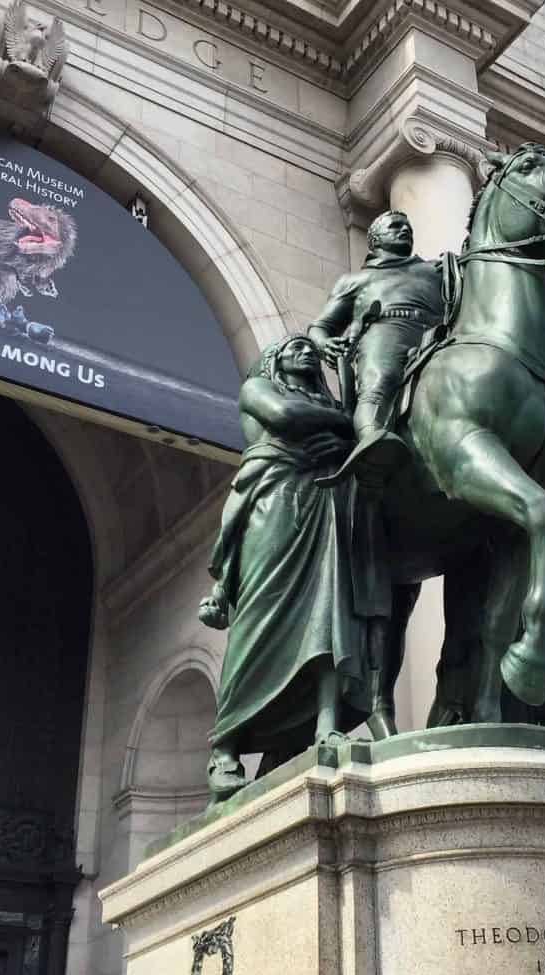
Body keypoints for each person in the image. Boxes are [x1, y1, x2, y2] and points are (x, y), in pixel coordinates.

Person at [198, 334, 388, 803]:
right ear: (274, 360)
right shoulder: (258, 390)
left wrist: (338, 416)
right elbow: (285, 417)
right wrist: (342, 418)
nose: (304, 351)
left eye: (309, 347)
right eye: (293, 346)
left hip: (324, 499)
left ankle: (326, 728)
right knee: (258, 622)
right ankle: (225, 750)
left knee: (330, 616)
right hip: (274, 500)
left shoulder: (320, 398)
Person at [307, 210, 444, 486]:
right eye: (395, 226)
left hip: (436, 334)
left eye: (408, 227)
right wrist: (324, 344)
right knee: (380, 382)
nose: (404, 230)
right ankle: (373, 442)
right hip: (385, 332)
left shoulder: (434, 271)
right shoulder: (355, 281)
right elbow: (320, 327)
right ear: (374, 239)